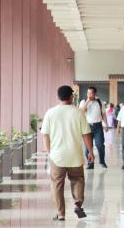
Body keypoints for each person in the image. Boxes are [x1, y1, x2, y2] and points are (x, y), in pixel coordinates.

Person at [41, 85, 94, 221]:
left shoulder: (50, 113)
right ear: (71, 97)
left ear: (58, 97)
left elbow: (45, 134)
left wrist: (49, 151)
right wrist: (90, 151)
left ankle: (61, 214)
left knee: (57, 184)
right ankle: (77, 203)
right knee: (77, 180)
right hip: (75, 155)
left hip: (57, 156)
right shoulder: (78, 112)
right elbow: (86, 134)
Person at [79, 86, 108, 169]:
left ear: (95, 94)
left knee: (100, 145)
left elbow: (103, 114)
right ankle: (90, 163)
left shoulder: (99, 102)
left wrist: (105, 124)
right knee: (88, 146)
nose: (89, 94)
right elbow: (81, 111)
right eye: (88, 93)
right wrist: (88, 101)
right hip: (87, 126)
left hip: (98, 126)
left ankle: (102, 161)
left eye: (91, 93)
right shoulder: (83, 101)